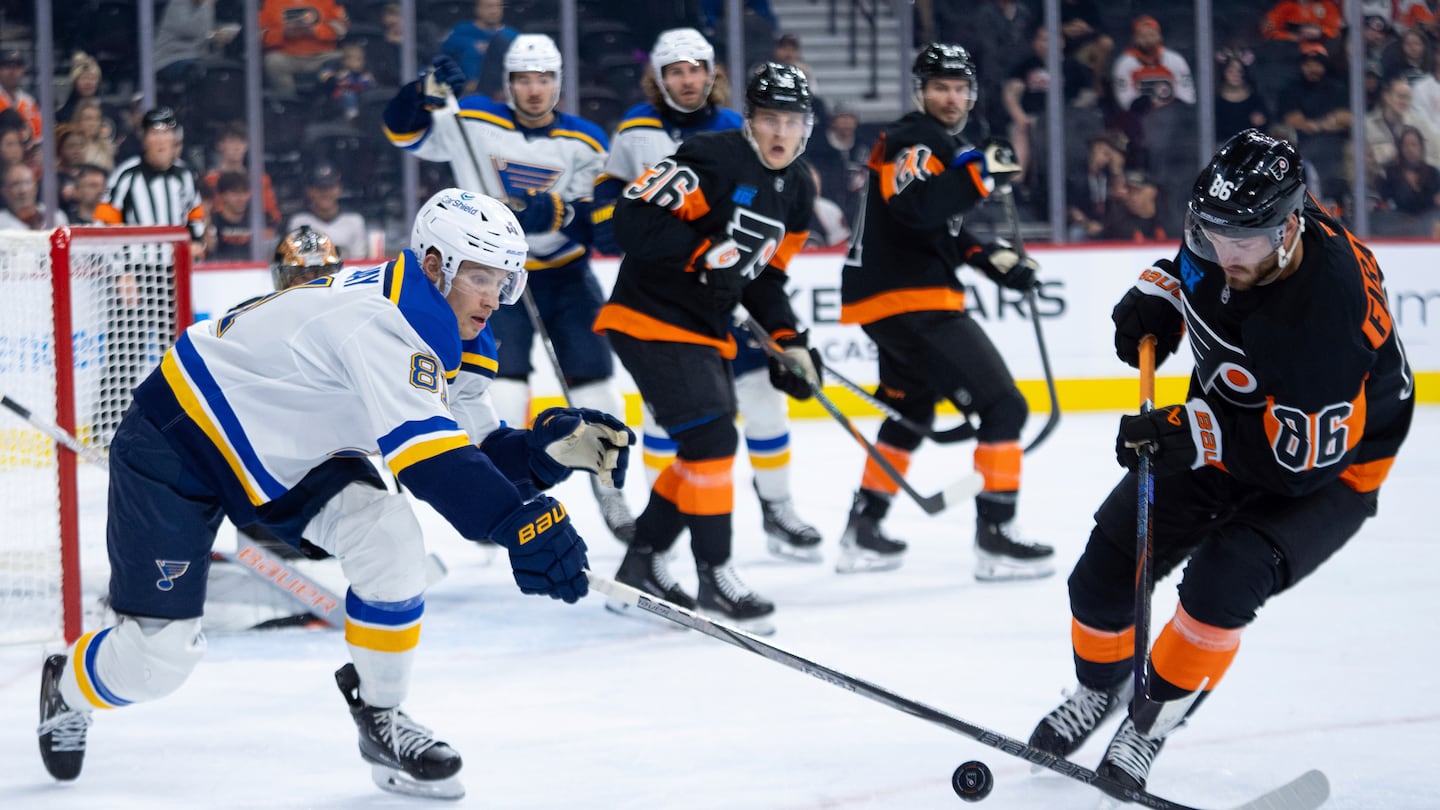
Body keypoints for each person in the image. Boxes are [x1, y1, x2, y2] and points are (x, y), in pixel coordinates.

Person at [35, 189, 633, 799]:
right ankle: (68, 685)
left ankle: (382, 718)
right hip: (182, 437)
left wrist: (543, 453)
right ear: (434, 266)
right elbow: (430, 462)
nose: (491, 297)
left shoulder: (459, 331)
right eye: (479, 276)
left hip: (296, 451)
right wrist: (518, 522)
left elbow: (474, 450)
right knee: (156, 664)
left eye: (503, 280)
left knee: (391, 539)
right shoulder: (382, 322)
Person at [1027, 129, 1413, 797]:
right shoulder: (1231, 231)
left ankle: (1149, 722)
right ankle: (1103, 689)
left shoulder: (1327, 316)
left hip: (1331, 467)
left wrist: (1195, 434)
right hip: (1222, 431)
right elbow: (1192, 266)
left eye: (1246, 243)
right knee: (1102, 576)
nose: (1225, 255)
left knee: (1221, 586)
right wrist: (1160, 295)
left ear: (1291, 228)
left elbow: (1300, 467)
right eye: (1210, 234)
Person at [383, 33, 635, 543]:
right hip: (488, 277)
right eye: (524, 78)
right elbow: (402, 133)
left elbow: (604, 222)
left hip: (564, 273)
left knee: (595, 383)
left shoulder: (586, 140)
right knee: (503, 386)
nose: (534, 89)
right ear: (509, 82)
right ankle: (501, 492)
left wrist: (558, 212)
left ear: (558, 83)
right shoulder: (471, 117)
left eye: (544, 79)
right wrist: (421, 92)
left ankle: (612, 494)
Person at [595, 62, 820, 634]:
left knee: (703, 444)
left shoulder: (797, 189)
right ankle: (715, 575)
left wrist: (788, 340)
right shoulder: (711, 157)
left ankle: (641, 564)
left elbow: (765, 279)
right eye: (770, 119)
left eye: (791, 121)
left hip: (702, 326)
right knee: (714, 437)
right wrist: (702, 256)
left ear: (806, 126)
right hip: (648, 313)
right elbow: (633, 220)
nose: (780, 133)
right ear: (750, 120)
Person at [836, 43, 1055, 580]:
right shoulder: (916, 138)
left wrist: (992, 258)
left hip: (891, 298)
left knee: (911, 414)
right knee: (1005, 408)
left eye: (959, 88)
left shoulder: (937, 143)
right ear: (920, 92)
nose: (951, 97)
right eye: (940, 87)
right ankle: (997, 536)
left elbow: (941, 229)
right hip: (914, 300)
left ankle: (864, 527)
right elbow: (916, 208)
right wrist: (980, 173)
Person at [260, 0, 349, 97]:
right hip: (287, 57)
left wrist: (315, 30)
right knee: (273, 62)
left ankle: (335, 105)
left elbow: (342, 29)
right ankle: (288, 105)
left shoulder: (327, 1)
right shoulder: (269, 2)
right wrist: (283, 33)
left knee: (346, 59)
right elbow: (259, 36)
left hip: (323, 57)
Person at [287, 163, 366, 260]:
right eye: (320, 188)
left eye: (330, 188)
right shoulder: (300, 222)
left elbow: (359, 261)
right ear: (310, 191)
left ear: (338, 189)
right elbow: (297, 262)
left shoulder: (354, 221)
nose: (325, 193)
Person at [440, 0, 518, 97]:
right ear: (477, 9)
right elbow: (443, 58)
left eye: (498, 7)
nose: (494, 11)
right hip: (465, 93)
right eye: (489, 7)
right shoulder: (462, 30)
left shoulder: (512, 35)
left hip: (500, 93)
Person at [0, 161, 66, 229]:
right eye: (16, 184)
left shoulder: (55, 217)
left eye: (27, 182)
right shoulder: (1, 223)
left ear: (35, 187)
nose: (23, 190)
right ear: (5, 191)